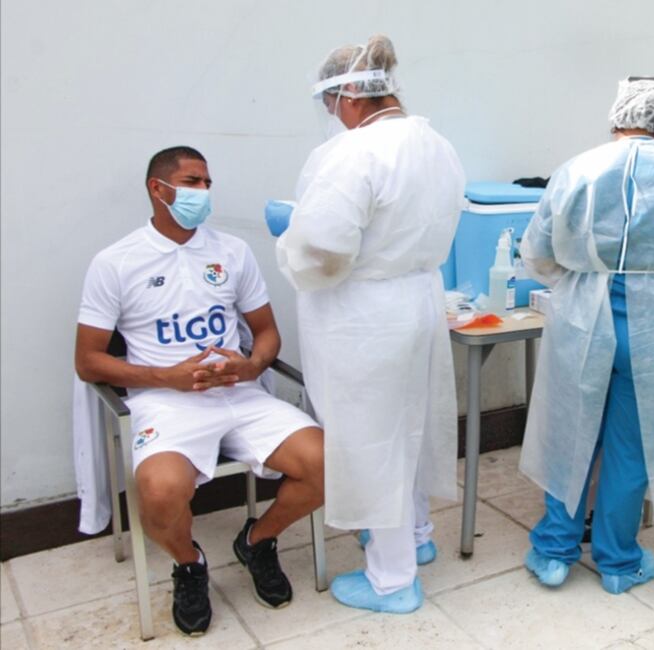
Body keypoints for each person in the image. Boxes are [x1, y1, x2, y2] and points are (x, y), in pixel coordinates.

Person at [74, 146, 325, 637]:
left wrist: (251, 364)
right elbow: (88, 361)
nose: (203, 193)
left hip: (239, 394)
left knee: (327, 462)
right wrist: (164, 377)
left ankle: (257, 540)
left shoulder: (231, 252)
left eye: (207, 183)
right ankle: (189, 565)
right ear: (158, 189)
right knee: (159, 493)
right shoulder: (116, 262)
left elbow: (267, 333)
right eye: (192, 182)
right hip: (167, 402)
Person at [518, 78, 654, 594]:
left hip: (584, 321)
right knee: (633, 446)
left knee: (569, 435)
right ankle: (618, 563)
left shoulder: (581, 167)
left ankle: (554, 552)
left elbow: (539, 251)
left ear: (619, 115)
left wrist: (586, 278)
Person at [274, 35, 465, 614]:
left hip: (363, 317)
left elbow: (324, 253)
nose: (332, 115)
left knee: (370, 441)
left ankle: (391, 579)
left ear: (352, 92)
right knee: (406, 426)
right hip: (416, 300)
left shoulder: (354, 152)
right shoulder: (435, 144)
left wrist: (290, 236)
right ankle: (415, 536)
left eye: (333, 103)